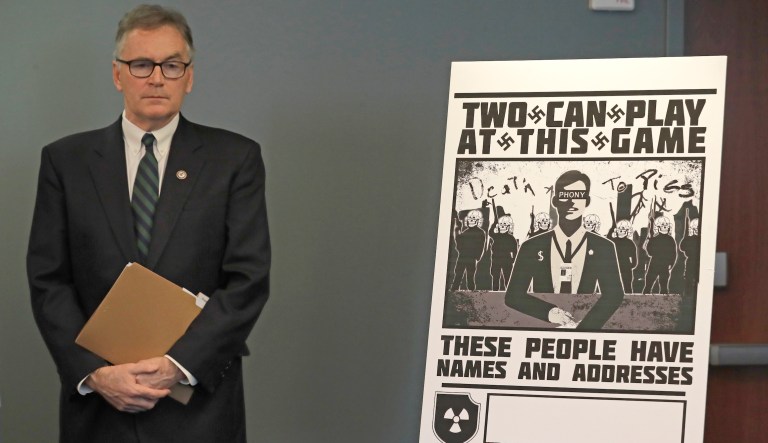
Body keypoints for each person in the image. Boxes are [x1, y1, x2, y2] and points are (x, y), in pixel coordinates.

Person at [26, 5, 270, 442]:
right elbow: (49, 281)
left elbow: (248, 279)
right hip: (99, 411)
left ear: (189, 77)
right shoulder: (65, 161)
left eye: (172, 65)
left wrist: (177, 366)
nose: (157, 78)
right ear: (118, 74)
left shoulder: (235, 160)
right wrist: (96, 373)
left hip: (199, 411)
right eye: (142, 64)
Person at [505, 170, 624, 330]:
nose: (571, 202)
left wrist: (585, 327)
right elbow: (513, 295)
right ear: (555, 201)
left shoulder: (604, 247)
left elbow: (614, 294)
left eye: (578, 196)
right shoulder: (531, 247)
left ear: (587, 201)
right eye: (565, 195)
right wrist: (550, 313)